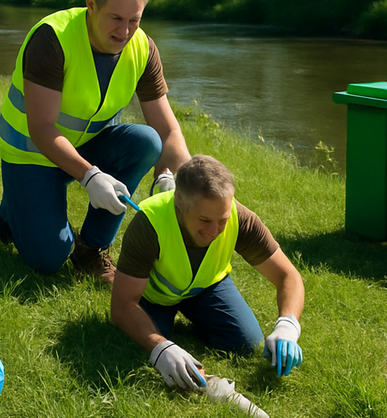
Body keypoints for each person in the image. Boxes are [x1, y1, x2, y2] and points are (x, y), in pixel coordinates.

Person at [0, 0, 191, 284]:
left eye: (134, 20)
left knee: (147, 142)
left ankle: (90, 250)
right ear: (91, 4)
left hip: (85, 146)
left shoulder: (142, 47)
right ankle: (16, 207)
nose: (125, 31)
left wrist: (176, 182)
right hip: (31, 153)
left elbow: (167, 129)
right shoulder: (53, 38)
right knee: (48, 259)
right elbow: (42, 129)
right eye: (115, 18)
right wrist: (89, 176)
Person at [110, 154, 304, 391]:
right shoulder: (148, 223)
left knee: (246, 344)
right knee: (151, 336)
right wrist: (160, 348)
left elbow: (288, 277)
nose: (215, 231)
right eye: (204, 220)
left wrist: (288, 325)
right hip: (154, 297)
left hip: (206, 287)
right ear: (179, 200)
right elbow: (122, 306)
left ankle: (197, 317)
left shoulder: (240, 217)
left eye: (222, 219)